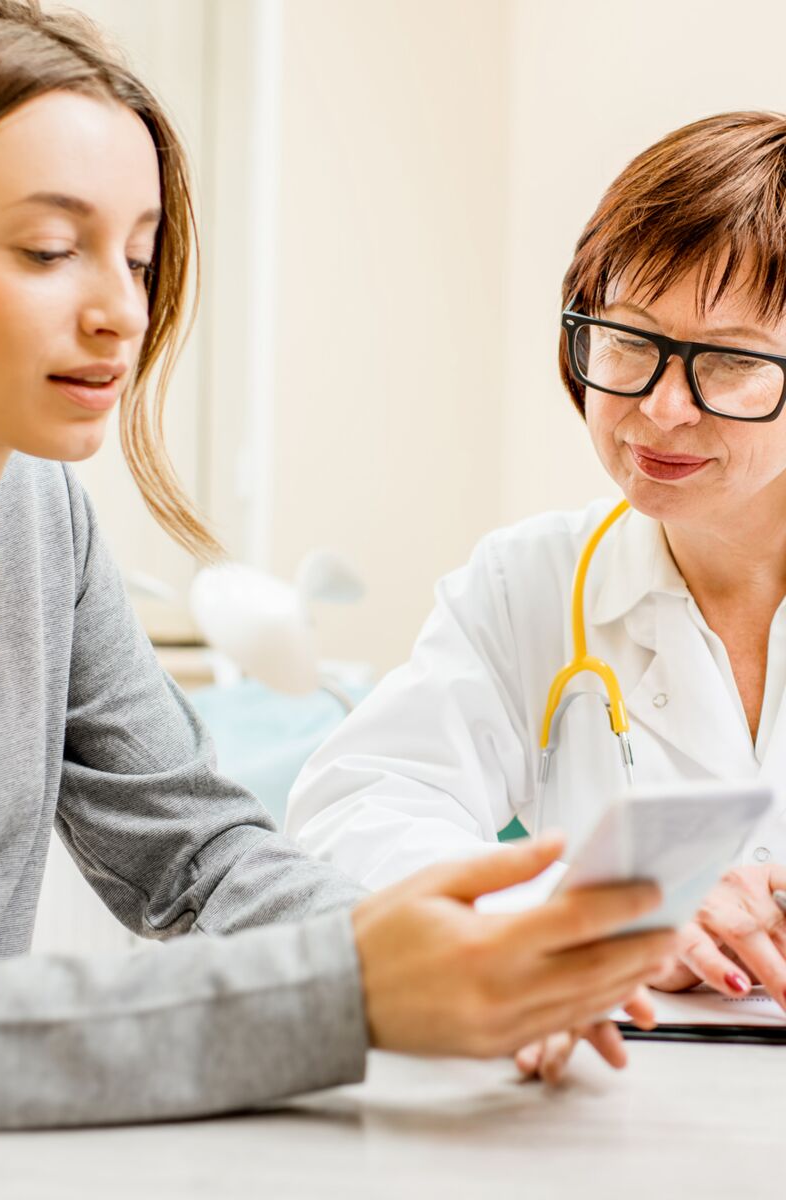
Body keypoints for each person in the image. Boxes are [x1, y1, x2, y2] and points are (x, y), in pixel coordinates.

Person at [0, 2, 674, 1195]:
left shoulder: (44, 526)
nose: (121, 309)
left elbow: (201, 858)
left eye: (140, 254)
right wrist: (346, 991)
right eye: (51, 250)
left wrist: (467, 949)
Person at [286, 110, 786, 1081]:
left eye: (728, 360)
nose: (662, 406)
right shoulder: (532, 581)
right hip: (616, 1098)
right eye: (628, 340)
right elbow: (353, 814)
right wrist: (600, 907)